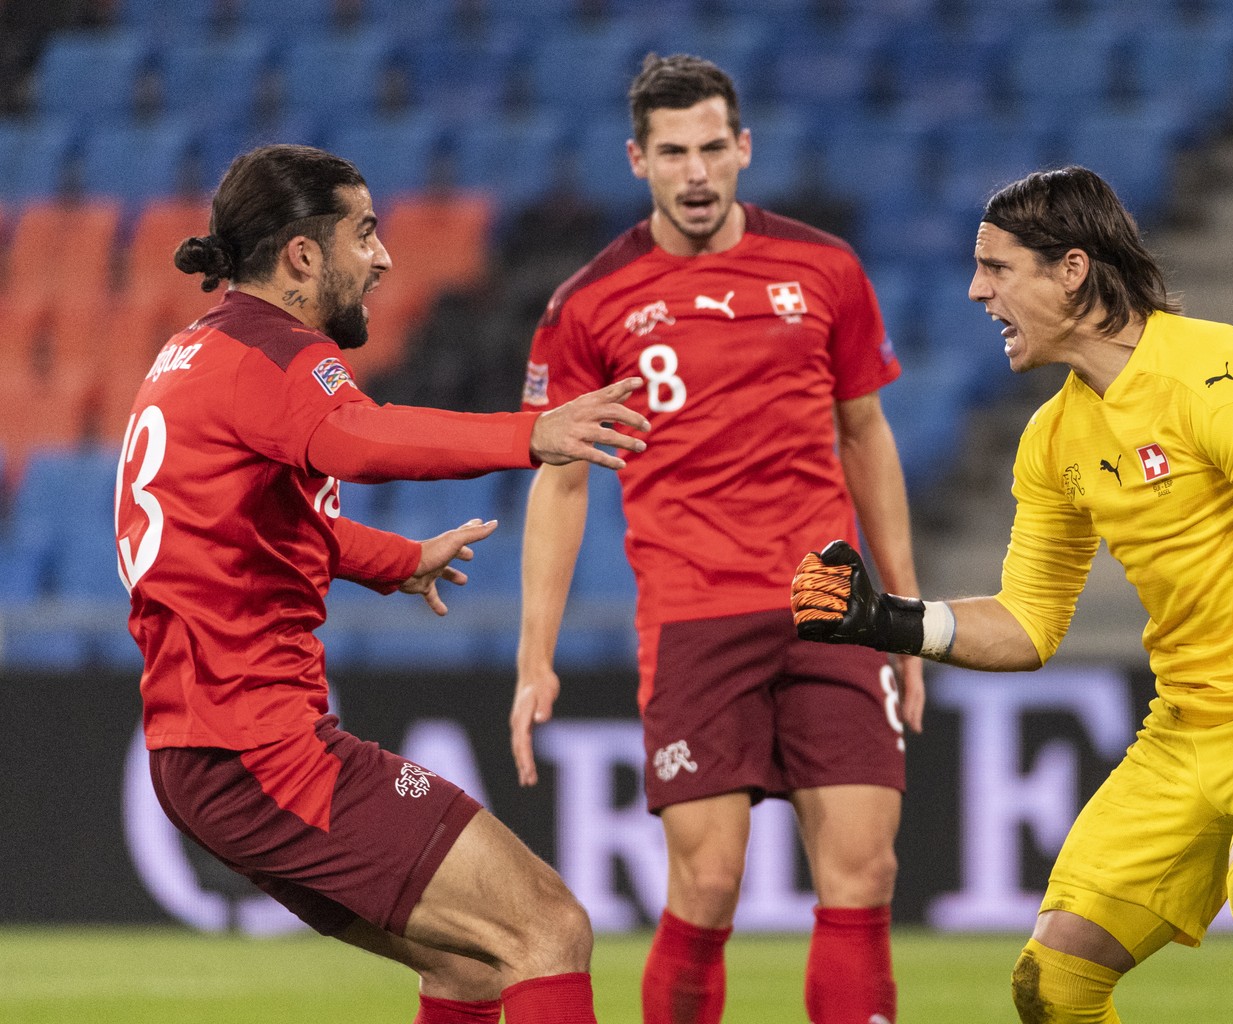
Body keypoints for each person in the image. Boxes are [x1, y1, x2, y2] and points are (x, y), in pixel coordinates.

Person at [791, 166, 1233, 1023]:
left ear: (1070, 269)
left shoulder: (1215, 372)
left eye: (997, 268)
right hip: (1185, 733)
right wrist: (882, 620)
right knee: (1051, 985)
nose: (975, 291)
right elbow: (1026, 625)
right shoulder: (1051, 441)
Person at [113, 144, 650, 1024]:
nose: (384, 256)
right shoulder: (276, 357)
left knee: (473, 962)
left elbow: (253, 529)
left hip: (204, 754)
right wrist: (531, 434)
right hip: (263, 752)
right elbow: (358, 442)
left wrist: (397, 560)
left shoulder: (191, 354)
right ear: (302, 254)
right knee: (550, 929)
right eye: (365, 232)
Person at [510, 54, 923, 1024]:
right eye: (671, 153)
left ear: (743, 149)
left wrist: (902, 615)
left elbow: (865, 433)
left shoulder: (823, 269)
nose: (695, 173)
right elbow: (561, 480)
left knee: (865, 870)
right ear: (637, 161)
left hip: (831, 603)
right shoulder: (589, 303)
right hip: (695, 615)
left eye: (710, 148)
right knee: (708, 884)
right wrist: (536, 654)